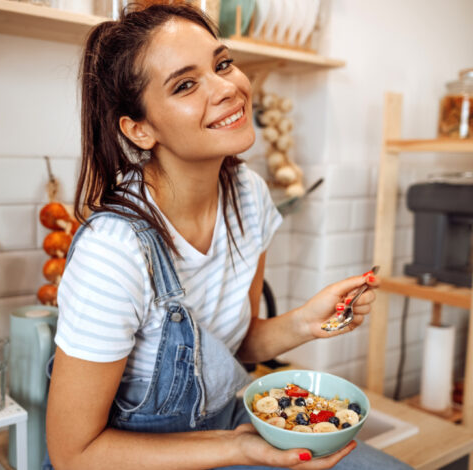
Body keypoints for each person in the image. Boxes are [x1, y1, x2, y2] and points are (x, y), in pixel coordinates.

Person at [45, 4, 412, 469]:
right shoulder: (113, 252)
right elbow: (73, 454)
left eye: (221, 64)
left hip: (224, 427)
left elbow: (231, 346)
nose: (227, 88)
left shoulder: (248, 196)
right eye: (185, 84)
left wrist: (306, 322)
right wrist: (238, 448)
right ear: (140, 129)